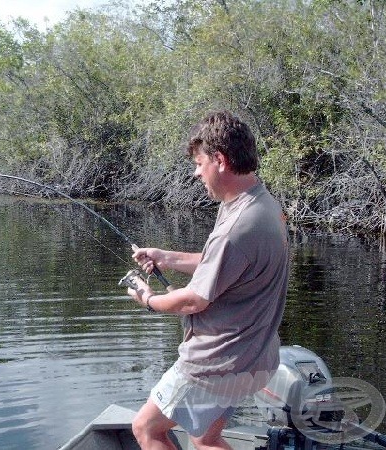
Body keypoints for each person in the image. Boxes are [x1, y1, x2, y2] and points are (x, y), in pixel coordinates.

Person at [126, 110, 289, 450]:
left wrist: (148, 299)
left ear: (220, 160)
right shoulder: (263, 205)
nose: (196, 172)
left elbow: (192, 301)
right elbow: (226, 265)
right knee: (205, 438)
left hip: (218, 364)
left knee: (147, 428)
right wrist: (166, 258)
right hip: (256, 358)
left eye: (200, 163)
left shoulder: (235, 227)